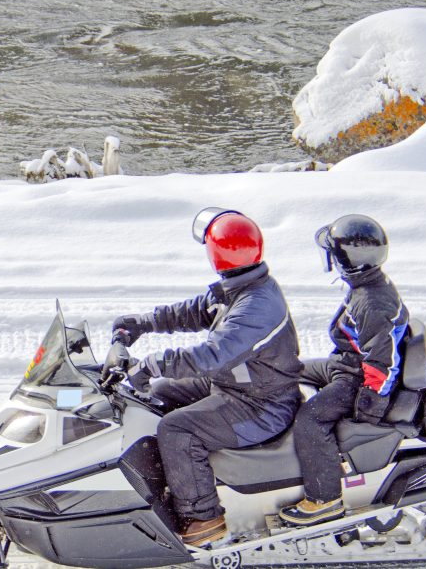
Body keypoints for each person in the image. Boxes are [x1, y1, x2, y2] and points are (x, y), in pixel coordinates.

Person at [102, 208, 302, 547]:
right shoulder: (241, 286)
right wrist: (141, 322)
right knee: (159, 395)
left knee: (176, 428)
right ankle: (172, 481)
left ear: (217, 254)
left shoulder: (256, 306)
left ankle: (204, 518)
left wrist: (153, 363)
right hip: (238, 384)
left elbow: (212, 356)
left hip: (262, 405)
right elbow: (192, 311)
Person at [279, 214, 410, 526]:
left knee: (310, 420)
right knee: (286, 371)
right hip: (345, 363)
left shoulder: (372, 303)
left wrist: (365, 412)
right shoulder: (367, 283)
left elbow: (382, 365)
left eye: (335, 256)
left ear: (348, 261)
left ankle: (324, 498)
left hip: (357, 378)